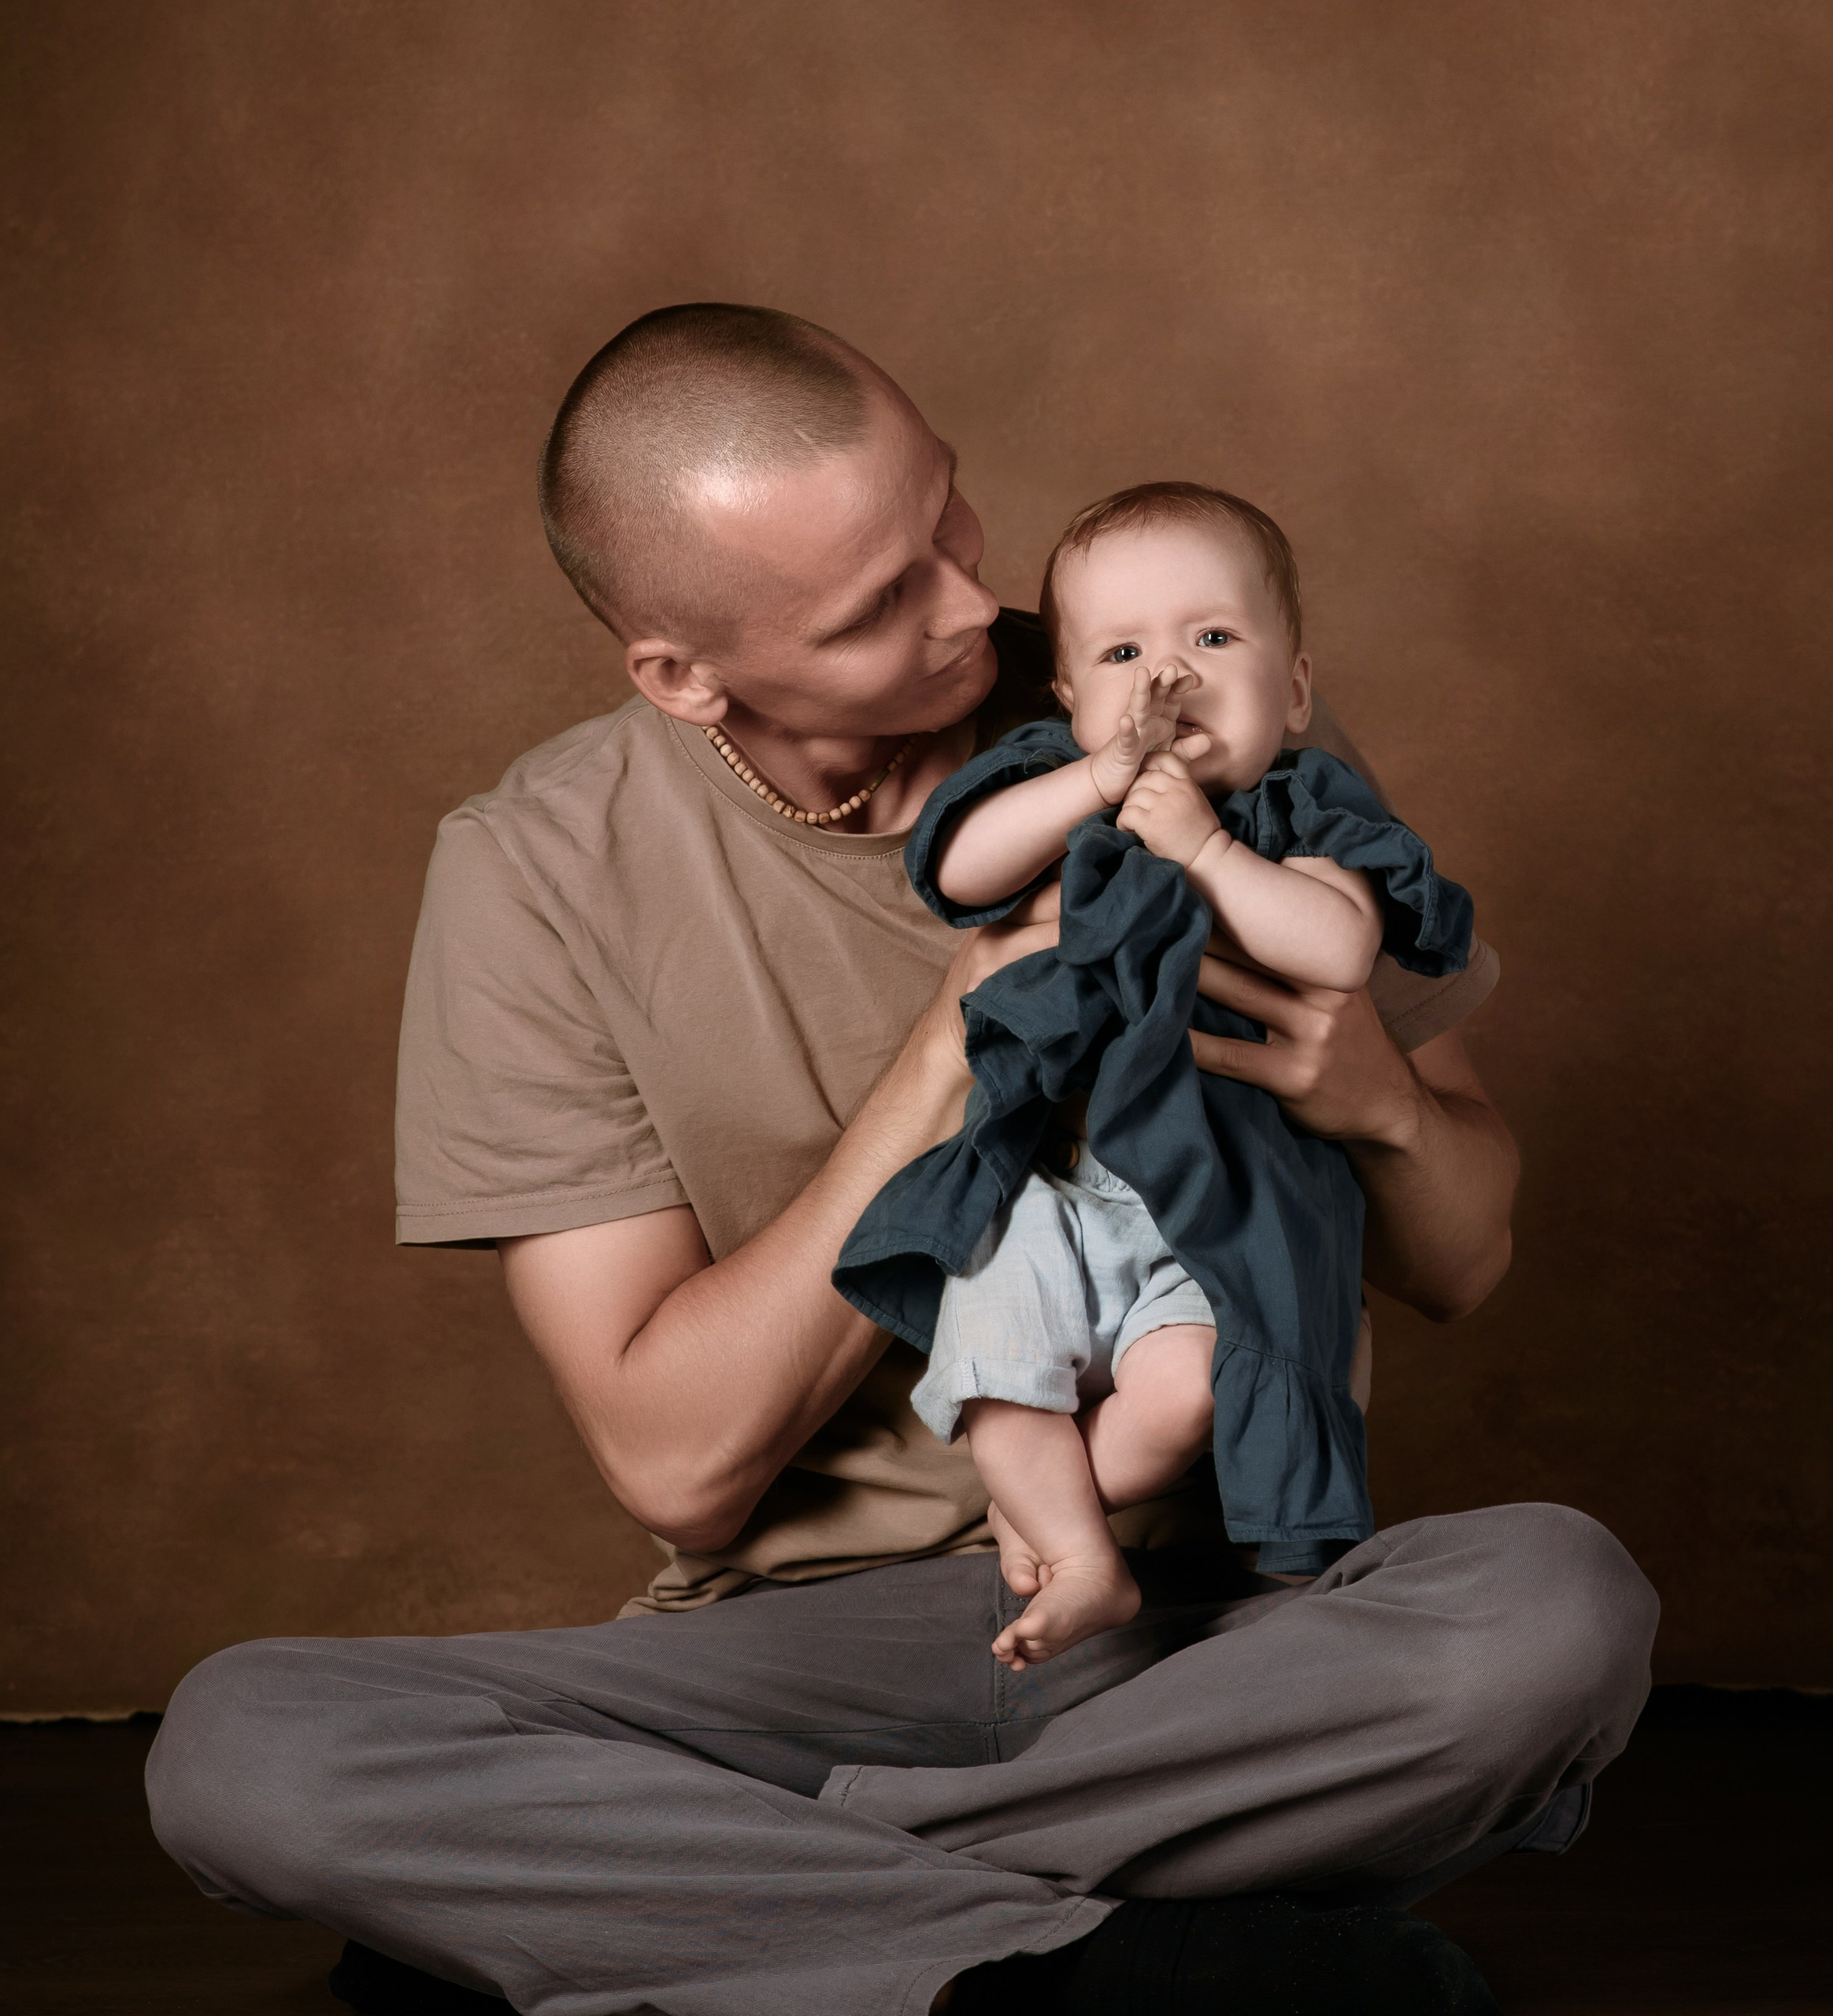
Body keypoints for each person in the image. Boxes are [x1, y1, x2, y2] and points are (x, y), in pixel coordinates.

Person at [146, 304, 1659, 2016]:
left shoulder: (1167, 677)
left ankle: (734, 1918)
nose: (969, 600)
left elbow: (1463, 1259)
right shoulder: (536, 875)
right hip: (804, 1650)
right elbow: (677, 1464)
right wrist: (950, 1042)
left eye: (942, 513)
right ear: (681, 673)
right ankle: (1103, 1956)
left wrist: (1378, 1095)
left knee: (1551, 1604)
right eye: (876, 604)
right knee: (248, 1747)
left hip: (1217, 1623)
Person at [836, 481, 1473, 1670]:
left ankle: (1050, 1528)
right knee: (1002, 1380)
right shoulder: (1058, 792)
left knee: (1189, 1391)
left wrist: (1204, 847)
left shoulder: (1303, 811)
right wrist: (1100, 781)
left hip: (1214, 1206)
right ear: (1069, 700)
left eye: (1213, 638)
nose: (1165, 676)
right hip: (1047, 1184)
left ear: (1291, 690)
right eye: (1123, 652)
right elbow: (963, 869)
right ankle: (1082, 1562)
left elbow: (1335, 949)